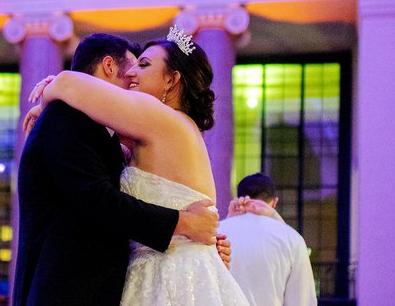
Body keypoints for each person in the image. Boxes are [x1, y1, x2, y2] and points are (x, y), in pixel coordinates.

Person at [32, 27, 249, 305]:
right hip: (176, 269)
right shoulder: (169, 128)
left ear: (171, 80)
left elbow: (67, 83)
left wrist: (51, 92)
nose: (131, 73)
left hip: (169, 275)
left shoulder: (157, 116)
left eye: (143, 65)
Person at [219, 173, 317, 306]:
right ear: (274, 202)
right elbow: (302, 300)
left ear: (239, 198)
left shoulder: (218, 233)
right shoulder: (292, 239)